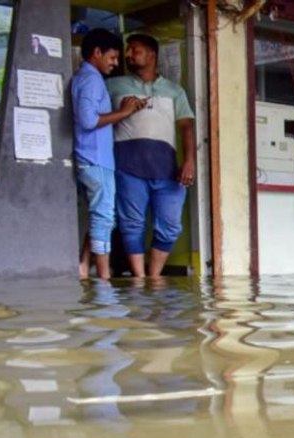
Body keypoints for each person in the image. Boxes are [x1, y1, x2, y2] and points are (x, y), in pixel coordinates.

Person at [107, 34, 197, 278]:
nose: (128, 55)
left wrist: (189, 161)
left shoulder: (174, 91)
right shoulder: (113, 86)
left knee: (170, 226)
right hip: (127, 166)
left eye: (134, 50)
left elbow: (187, 126)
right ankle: (139, 279)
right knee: (131, 225)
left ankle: (154, 277)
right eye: (128, 51)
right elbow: (96, 119)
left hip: (167, 169)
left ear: (152, 55)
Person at [72, 29, 145, 280]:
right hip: (96, 159)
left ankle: (83, 266)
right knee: (103, 217)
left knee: (100, 216)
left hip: (93, 158)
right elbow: (88, 120)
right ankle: (103, 278)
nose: (116, 63)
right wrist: (123, 113)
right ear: (97, 53)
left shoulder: (86, 78)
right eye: (112, 57)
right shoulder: (91, 80)